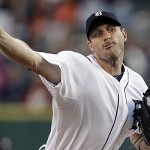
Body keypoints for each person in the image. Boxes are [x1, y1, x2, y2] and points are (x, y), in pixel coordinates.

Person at [0, 10, 149, 150]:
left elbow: (137, 137)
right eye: (98, 33)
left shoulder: (138, 84)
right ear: (90, 45)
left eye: (111, 29)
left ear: (123, 34)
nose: (107, 36)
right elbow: (35, 61)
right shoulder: (76, 66)